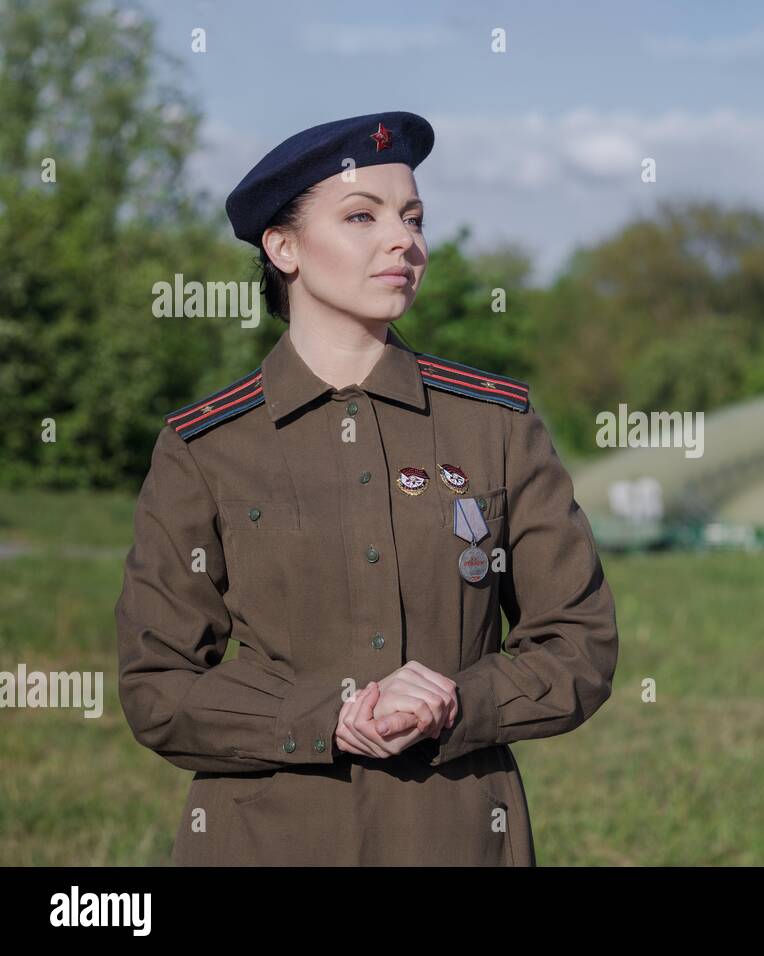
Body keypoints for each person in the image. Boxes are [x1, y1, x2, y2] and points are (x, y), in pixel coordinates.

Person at [114, 111, 619, 866]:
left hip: (454, 837)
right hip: (263, 840)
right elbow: (158, 687)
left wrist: (459, 703)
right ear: (282, 248)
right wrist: (331, 716)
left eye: (414, 218)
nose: (404, 242)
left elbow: (577, 645)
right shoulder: (206, 446)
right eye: (362, 216)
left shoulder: (496, 425)